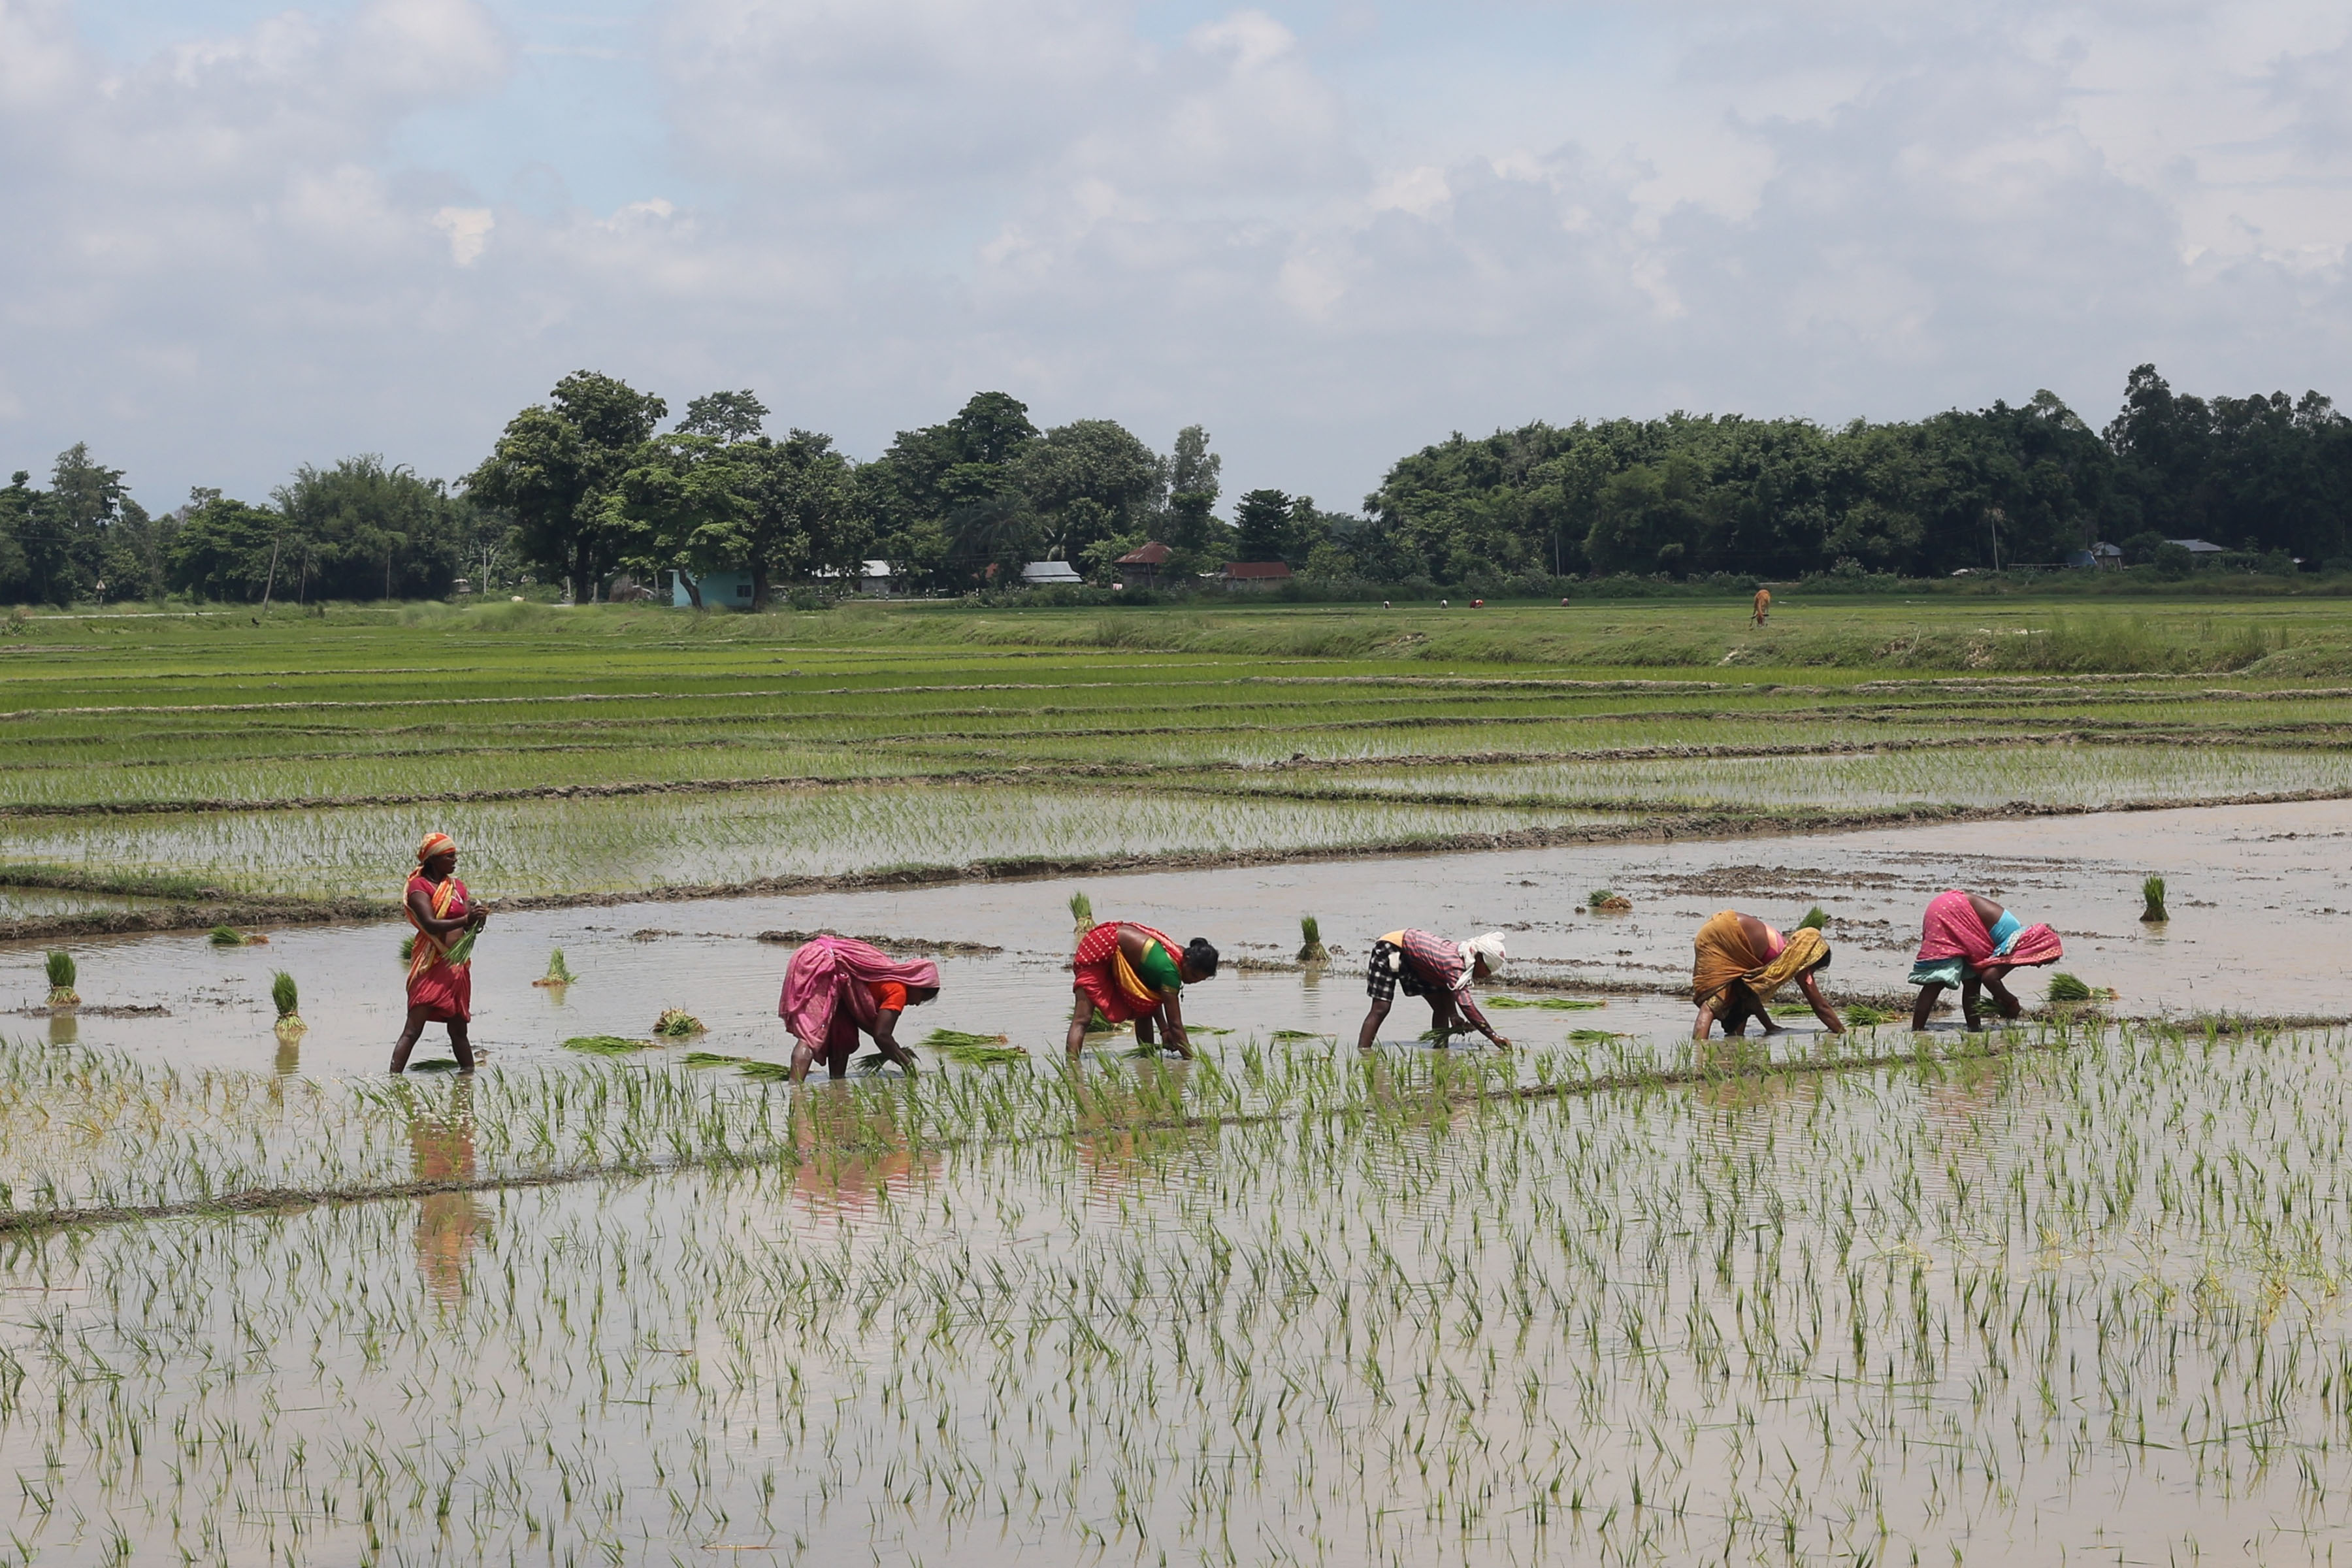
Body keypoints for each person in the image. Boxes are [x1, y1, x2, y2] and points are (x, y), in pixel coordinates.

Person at [779, 934, 941, 1083]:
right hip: (823, 965)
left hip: (824, 962)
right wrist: (909, 1066)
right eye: (922, 998)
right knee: (811, 1037)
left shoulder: (888, 976)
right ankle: (795, 1091)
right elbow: (881, 1036)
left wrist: (896, 1050)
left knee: (841, 1035)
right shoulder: (898, 991)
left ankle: (837, 1083)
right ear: (917, 985)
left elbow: (872, 1028)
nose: (917, 1004)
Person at [393, 832, 487, 1073]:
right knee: (413, 1029)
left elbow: (467, 927)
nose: (455, 860)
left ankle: (468, 1078)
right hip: (432, 964)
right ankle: (394, 1080)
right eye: (449, 856)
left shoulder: (457, 887)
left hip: (457, 966)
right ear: (432, 859)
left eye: (455, 855)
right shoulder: (419, 887)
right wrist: (466, 918)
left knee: (459, 1031)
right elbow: (430, 923)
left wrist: (477, 920)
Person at [1908, 890, 2063, 1030]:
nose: (2037, 966)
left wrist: (1999, 997)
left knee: (1973, 982)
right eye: (2042, 961)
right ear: (2038, 950)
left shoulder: (2015, 937)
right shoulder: (2016, 944)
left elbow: (1986, 977)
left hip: (1949, 909)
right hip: (1950, 913)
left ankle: (1974, 1030)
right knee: (1938, 980)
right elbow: (1990, 978)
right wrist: (2011, 1001)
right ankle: (1917, 1032)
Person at [1068, 921, 1218, 1060]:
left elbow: (1151, 998)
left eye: (1199, 980)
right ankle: (1071, 1068)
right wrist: (1191, 1059)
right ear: (1187, 960)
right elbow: (1176, 1025)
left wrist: (1164, 1031)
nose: (1193, 981)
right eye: (1193, 975)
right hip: (1099, 947)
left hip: (1112, 945)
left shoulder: (1177, 955)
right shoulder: (1170, 971)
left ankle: (1147, 1059)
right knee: (1083, 1018)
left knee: (1144, 1009)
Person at [1691, 909, 1841, 1039]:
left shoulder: (1785, 947)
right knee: (1714, 1002)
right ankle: (1700, 1055)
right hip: (1723, 937)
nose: (1810, 973)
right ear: (1811, 958)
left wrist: (1770, 1027)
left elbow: (1750, 997)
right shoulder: (1790, 959)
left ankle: (1734, 1042)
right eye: (1813, 968)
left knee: (1740, 994)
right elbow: (1821, 1006)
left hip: (1718, 929)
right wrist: (1841, 1031)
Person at [1356, 929, 1513, 1052]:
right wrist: (1493, 1036)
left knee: (1441, 1008)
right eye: (1487, 970)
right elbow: (1467, 1006)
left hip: (1414, 960)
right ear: (1478, 958)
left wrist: (1453, 1015)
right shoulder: (1454, 964)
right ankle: (1364, 1052)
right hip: (1390, 948)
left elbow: (1448, 988)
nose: (1486, 976)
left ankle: (1440, 1051)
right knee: (1381, 1007)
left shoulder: (1463, 955)